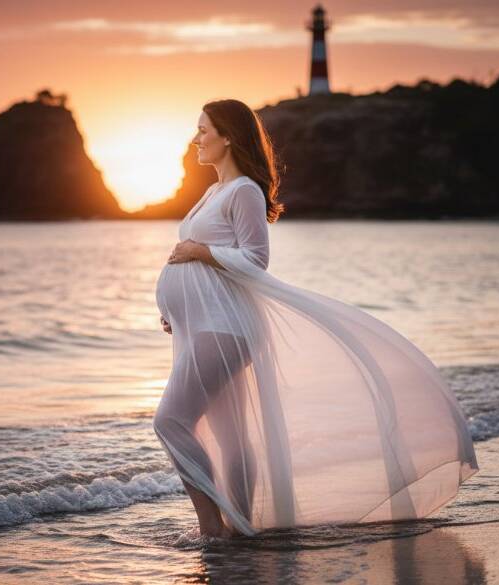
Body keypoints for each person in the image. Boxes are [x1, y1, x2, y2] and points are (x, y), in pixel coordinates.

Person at [152, 99, 479, 539]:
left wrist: (201, 253)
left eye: (203, 130)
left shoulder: (245, 189)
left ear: (228, 135)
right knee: (230, 435)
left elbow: (255, 259)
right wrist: (176, 306)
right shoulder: (214, 191)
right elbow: (207, 268)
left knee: (170, 421)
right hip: (204, 324)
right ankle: (239, 526)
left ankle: (212, 527)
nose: (196, 139)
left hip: (225, 328)